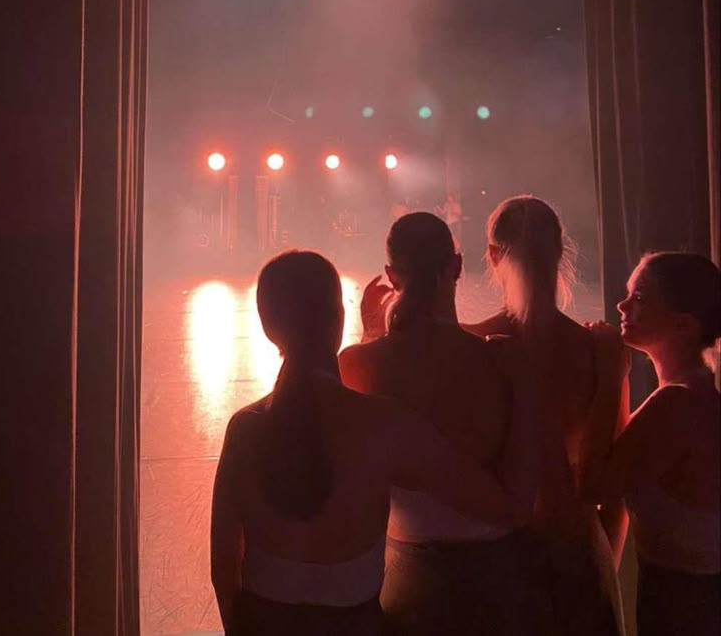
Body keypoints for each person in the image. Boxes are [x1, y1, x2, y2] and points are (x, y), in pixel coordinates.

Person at [211, 249, 534, 636]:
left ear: (267, 327)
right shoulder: (383, 426)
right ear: (338, 317)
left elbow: (224, 573)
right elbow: (508, 508)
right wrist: (525, 385)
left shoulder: (244, 429)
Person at [339, 213, 549, 636]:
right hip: (497, 577)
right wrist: (526, 386)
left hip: (408, 577)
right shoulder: (498, 363)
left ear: (391, 274)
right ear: (456, 266)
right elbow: (522, 499)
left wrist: (370, 335)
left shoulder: (357, 363)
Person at [463, 195, 627, 636]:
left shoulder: (473, 348)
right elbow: (613, 488)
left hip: (496, 554)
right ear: (561, 251)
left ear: (493, 256)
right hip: (575, 548)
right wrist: (600, 566)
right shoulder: (600, 352)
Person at [580, 252, 721, 636]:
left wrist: (611, 378)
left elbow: (594, 485)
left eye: (639, 297)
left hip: (690, 607)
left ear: (683, 324)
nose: (622, 305)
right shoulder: (693, 392)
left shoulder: (679, 401)